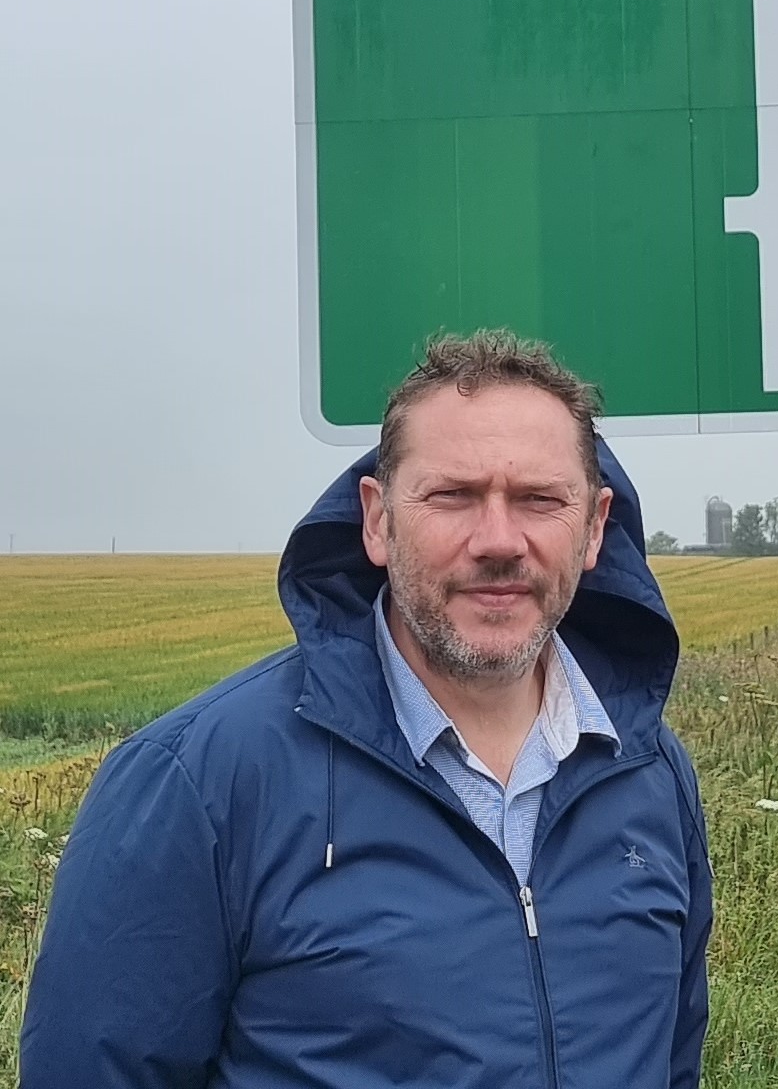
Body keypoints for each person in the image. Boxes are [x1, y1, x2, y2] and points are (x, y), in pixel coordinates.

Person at [23, 331, 711, 1088]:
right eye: (453, 495)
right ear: (377, 520)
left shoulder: (646, 769)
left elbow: (672, 1060)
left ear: (593, 528)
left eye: (539, 500)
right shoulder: (199, 780)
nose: (498, 540)